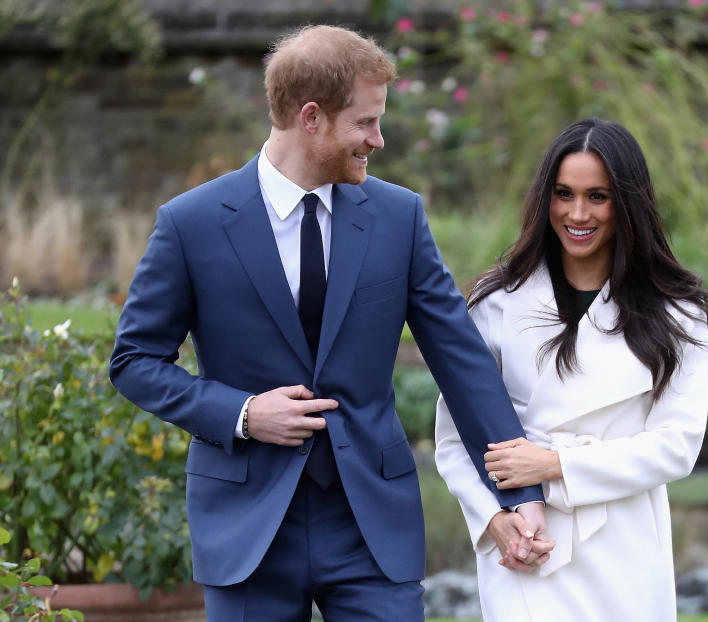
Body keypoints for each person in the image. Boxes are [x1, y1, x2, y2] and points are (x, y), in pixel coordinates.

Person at [109, 25, 546, 622]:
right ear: (310, 117)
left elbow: (461, 358)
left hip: (370, 522)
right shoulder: (192, 223)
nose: (379, 139)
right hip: (248, 526)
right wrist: (241, 414)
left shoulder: (399, 218)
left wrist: (518, 491)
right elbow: (134, 361)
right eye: (365, 123)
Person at [435, 118, 708, 622]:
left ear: (627, 204)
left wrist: (554, 466)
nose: (577, 213)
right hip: (525, 545)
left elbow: (677, 445)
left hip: (624, 546)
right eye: (563, 194)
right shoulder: (496, 303)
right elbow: (456, 438)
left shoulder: (678, 312)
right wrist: (493, 518)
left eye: (598, 196)